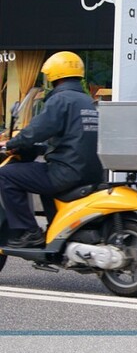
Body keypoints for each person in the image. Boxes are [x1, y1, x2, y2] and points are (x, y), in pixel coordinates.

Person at [0, 51, 104, 248]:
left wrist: (11, 144)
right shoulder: (87, 101)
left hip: (67, 172)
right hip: (89, 172)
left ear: (54, 75)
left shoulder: (60, 100)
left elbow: (37, 130)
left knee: (6, 175)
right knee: (39, 176)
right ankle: (56, 228)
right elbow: (72, 137)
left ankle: (29, 232)